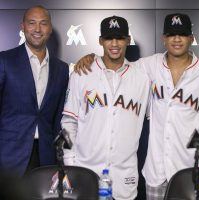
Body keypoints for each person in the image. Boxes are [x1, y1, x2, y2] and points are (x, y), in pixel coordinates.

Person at [74, 13, 199, 199]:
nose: (176, 39)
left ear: (191, 38)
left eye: (182, 34)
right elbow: (115, 63)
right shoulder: (147, 66)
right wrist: (92, 57)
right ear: (163, 38)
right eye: (171, 34)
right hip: (156, 171)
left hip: (196, 166)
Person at [61, 15, 150, 200]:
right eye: (109, 38)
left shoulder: (142, 78)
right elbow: (69, 122)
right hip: (86, 170)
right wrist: (70, 163)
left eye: (120, 38)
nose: (114, 44)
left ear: (128, 40)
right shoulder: (82, 73)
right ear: (100, 41)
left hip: (124, 176)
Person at [0, 5, 69, 176]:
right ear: (22, 27)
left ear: (50, 28)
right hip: (8, 156)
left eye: (43, 23)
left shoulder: (61, 69)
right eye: (32, 23)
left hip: (46, 157)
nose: (37, 29)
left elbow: (59, 117)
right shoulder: (5, 61)